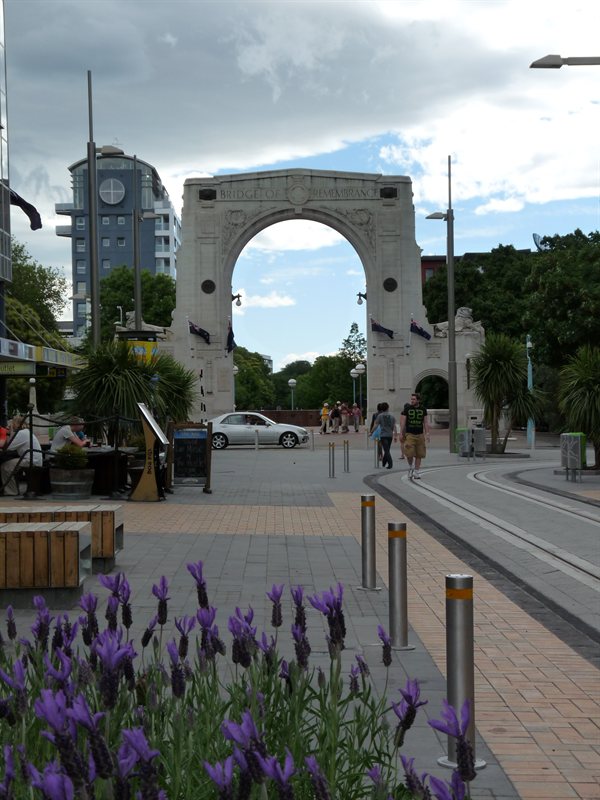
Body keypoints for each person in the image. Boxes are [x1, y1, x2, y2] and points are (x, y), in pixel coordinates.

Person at [1, 415, 43, 496]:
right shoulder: (26, 432)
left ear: (15, 424)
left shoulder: (21, 433)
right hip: (34, 459)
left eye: (12, 424)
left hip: (31, 460)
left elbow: (8, 447)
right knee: (9, 464)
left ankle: (11, 491)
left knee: (5, 466)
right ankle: (12, 489)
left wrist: (8, 433)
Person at [400, 392, 430, 479]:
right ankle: (411, 467)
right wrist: (401, 433)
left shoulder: (423, 409)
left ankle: (416, 472)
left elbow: (425, 422)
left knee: (419, 454)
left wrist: (427, 433)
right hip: (410, 434)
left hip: (420, 434)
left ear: (418, 400)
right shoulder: (407, 409)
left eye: (414, 399)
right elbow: (403, 422)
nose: (412, 401)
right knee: (409, 453)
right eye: (411, 399)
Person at [373, 402, 396, 469]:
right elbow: (394, 426)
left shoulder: (379, 416)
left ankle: (390, 463)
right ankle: (384, 462)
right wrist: (395, 434)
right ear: (388, 408)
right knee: (387, 449)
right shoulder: (392, 416)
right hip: (390, 435)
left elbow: (376, 425)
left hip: (383, 435)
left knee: (386, 450)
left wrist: (372, 431)